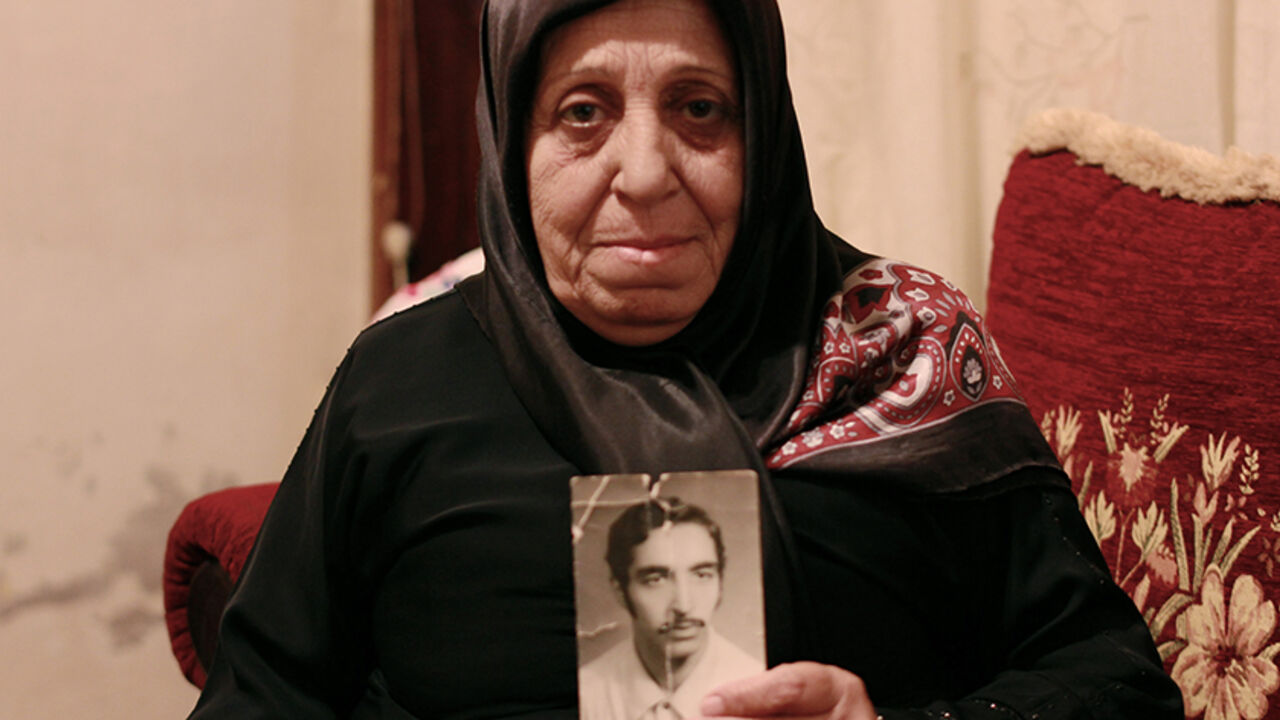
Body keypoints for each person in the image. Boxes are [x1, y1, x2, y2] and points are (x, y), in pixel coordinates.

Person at [188, 0, 1184, 718]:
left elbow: (1112, 681)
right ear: (511, 143)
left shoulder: (901, 349)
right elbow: (263, 696)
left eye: (700, 108)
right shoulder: (402, 378)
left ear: (765, 134)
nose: (645, 173)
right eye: (582, 112)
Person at [579, 498, 763, 720]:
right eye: (655, 579)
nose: (684, 606)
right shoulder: (587, 694)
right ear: (620, 590)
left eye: (702, 575)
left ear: (720, 583)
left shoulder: (758, 684)